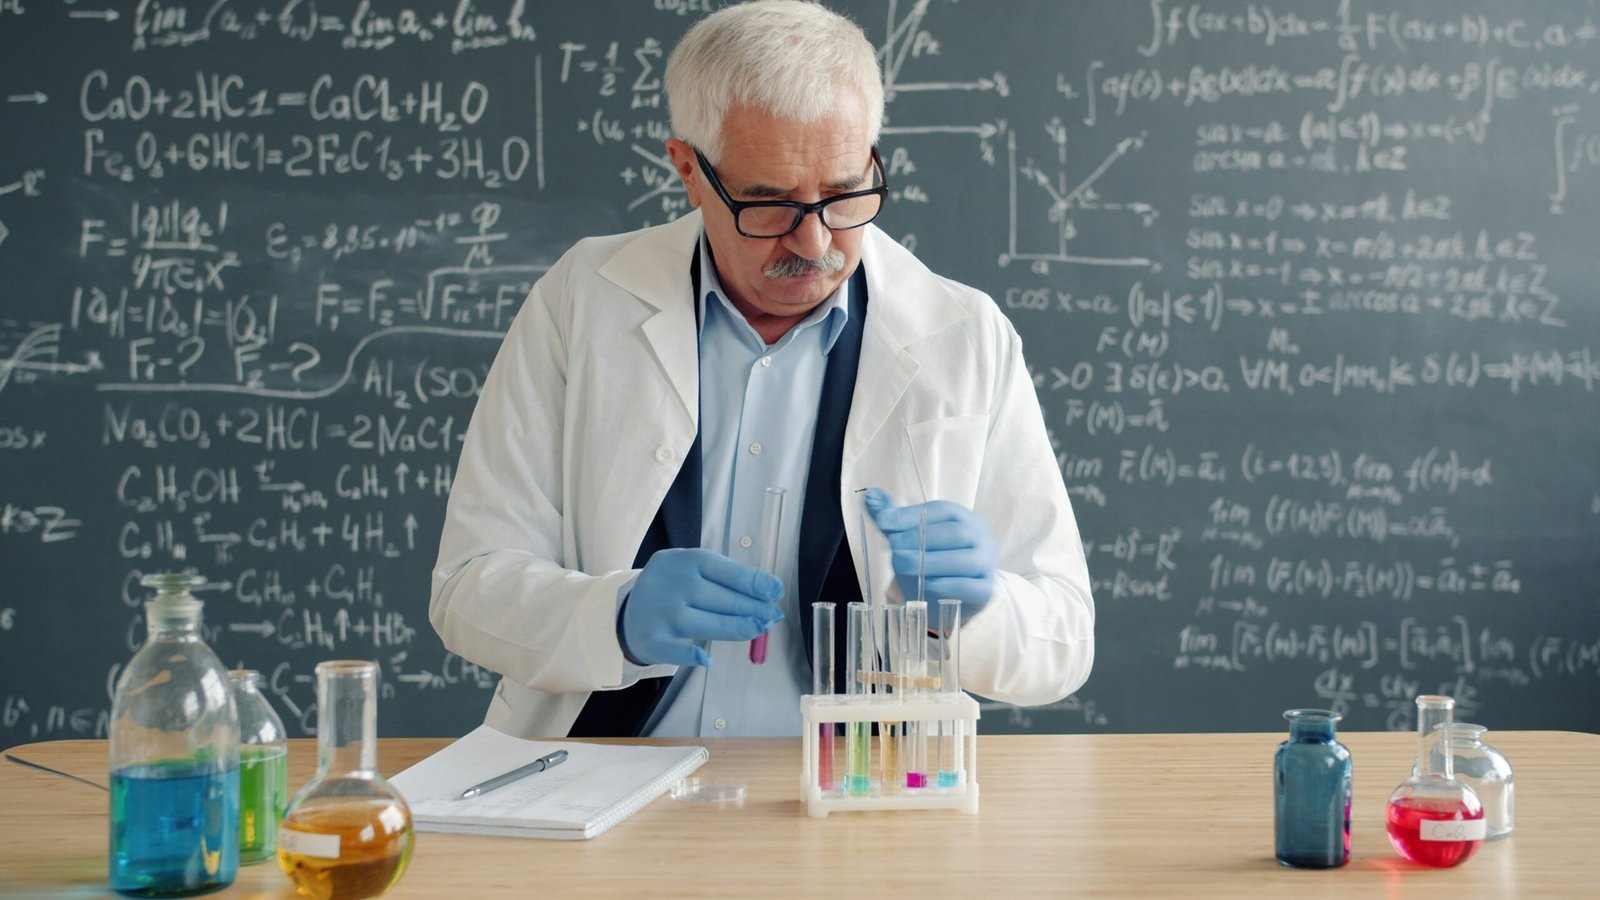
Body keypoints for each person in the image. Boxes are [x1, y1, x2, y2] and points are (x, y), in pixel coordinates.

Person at [430, 0, 1093, 739]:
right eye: (771, 203)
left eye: (843, 193)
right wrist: (613, 616)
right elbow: (468, 586)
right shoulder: (582, 301)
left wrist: (977, 610)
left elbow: (1064, 640)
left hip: (858, 787)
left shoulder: (964, 336)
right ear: (688, 170)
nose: (814, 242)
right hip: (607, 776)